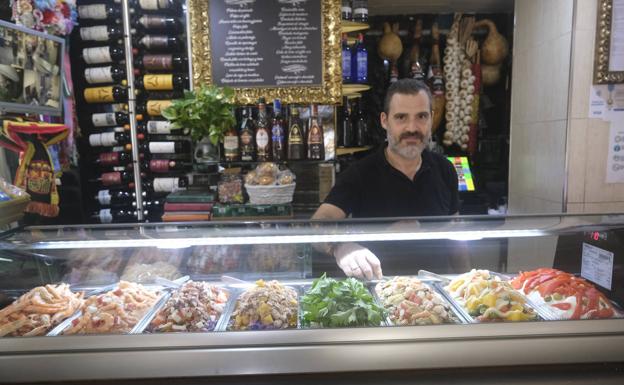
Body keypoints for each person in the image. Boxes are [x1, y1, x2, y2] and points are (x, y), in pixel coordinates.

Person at [312, 79, 462, 280]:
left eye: (421, 116)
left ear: (432, 118)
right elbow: (318, 223)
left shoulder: (445, 169)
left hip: (437, 293)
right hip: (380, 292)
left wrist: (466, 280)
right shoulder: (360, 173)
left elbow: (456, 235)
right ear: (385, 121)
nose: (412, 127)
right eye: (401, 117)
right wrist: (340, 246)